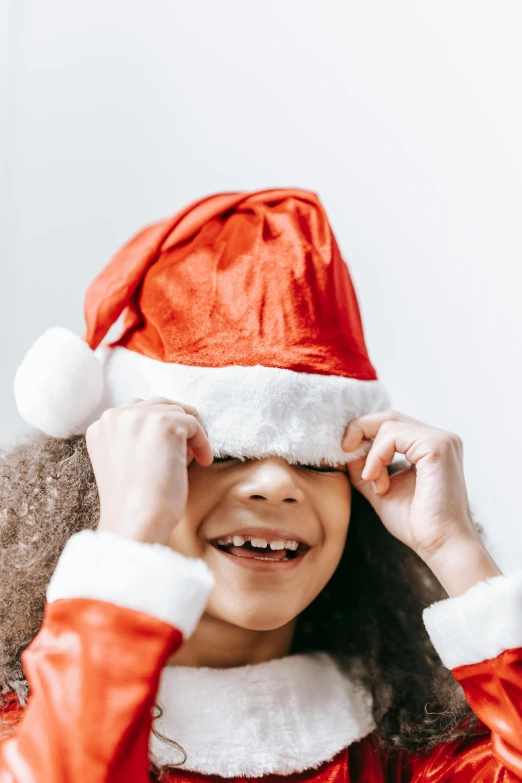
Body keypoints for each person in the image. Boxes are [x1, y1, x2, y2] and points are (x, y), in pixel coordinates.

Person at [0, 188, 521, 782]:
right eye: (221, 449)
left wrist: (456, 551)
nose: (276, 485)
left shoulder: (410, 748)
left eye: (318, 460)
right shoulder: (26, 731)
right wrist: (126, 540)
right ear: (115, 473)